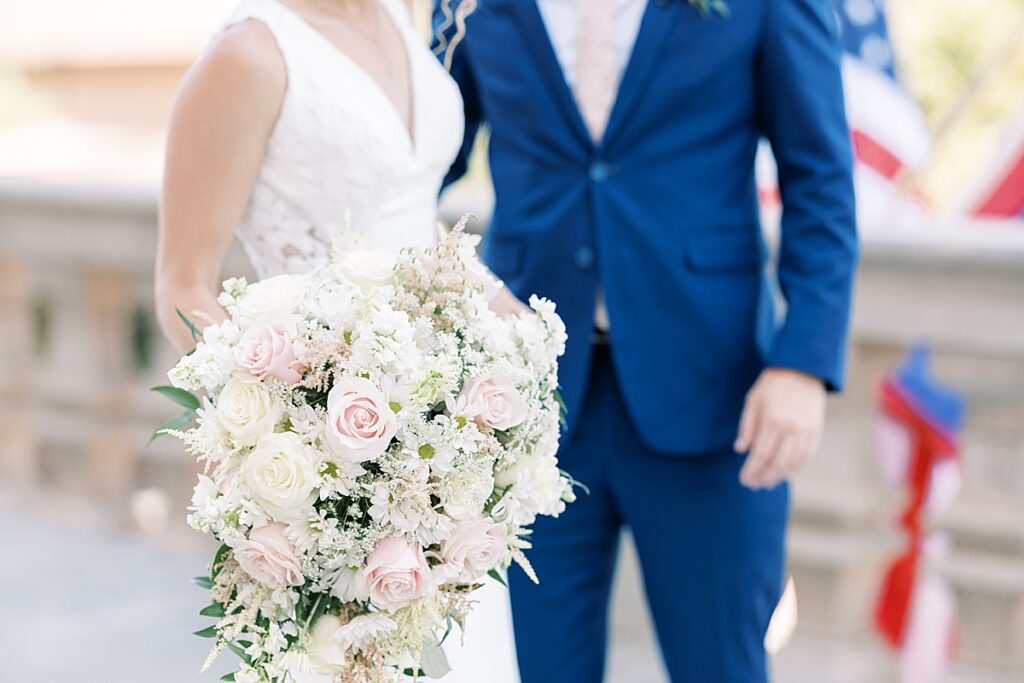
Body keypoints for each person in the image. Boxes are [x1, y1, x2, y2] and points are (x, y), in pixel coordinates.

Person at [434, 0, 859, 681]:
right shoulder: (468, 5)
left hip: (716, 395)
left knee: (721, 667)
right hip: (524, 408)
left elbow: (822, 180)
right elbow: (417, 156)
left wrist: (804, 363)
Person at [154, 1, 521, 680]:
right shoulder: (252, 53)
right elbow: (182, 283)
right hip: (343, 473)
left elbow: (412, 224)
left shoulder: (395, 19)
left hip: (446, 467)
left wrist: (519, 338)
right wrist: (288, 427)